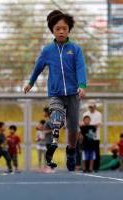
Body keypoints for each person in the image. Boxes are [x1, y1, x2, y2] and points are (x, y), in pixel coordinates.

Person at [24, 10, 86, 171]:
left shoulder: (75, 49)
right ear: (52, 30)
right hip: (55, 93)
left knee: (73, 129)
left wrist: (82, 85)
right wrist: (31, 82)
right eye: (58, 28)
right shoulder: (47, 51)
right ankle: (56, 120)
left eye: (64, 28)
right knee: (57, 118)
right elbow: (38, 67)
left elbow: (80, 68)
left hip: (73, 93)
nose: (61, 31)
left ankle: (71, 151)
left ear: (69, 30)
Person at [83, 100, 102, 172]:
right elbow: (83, 124)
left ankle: (96, 167)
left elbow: (98, 124)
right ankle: (87, 168)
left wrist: (89, 126)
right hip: (86, 138)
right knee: (86, 152)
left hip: (95, 137)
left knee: (96, 152)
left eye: (92, 106)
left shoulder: (98, 114)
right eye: (89, 107)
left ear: (95, 106)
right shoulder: (85, 114)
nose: (91, 108)